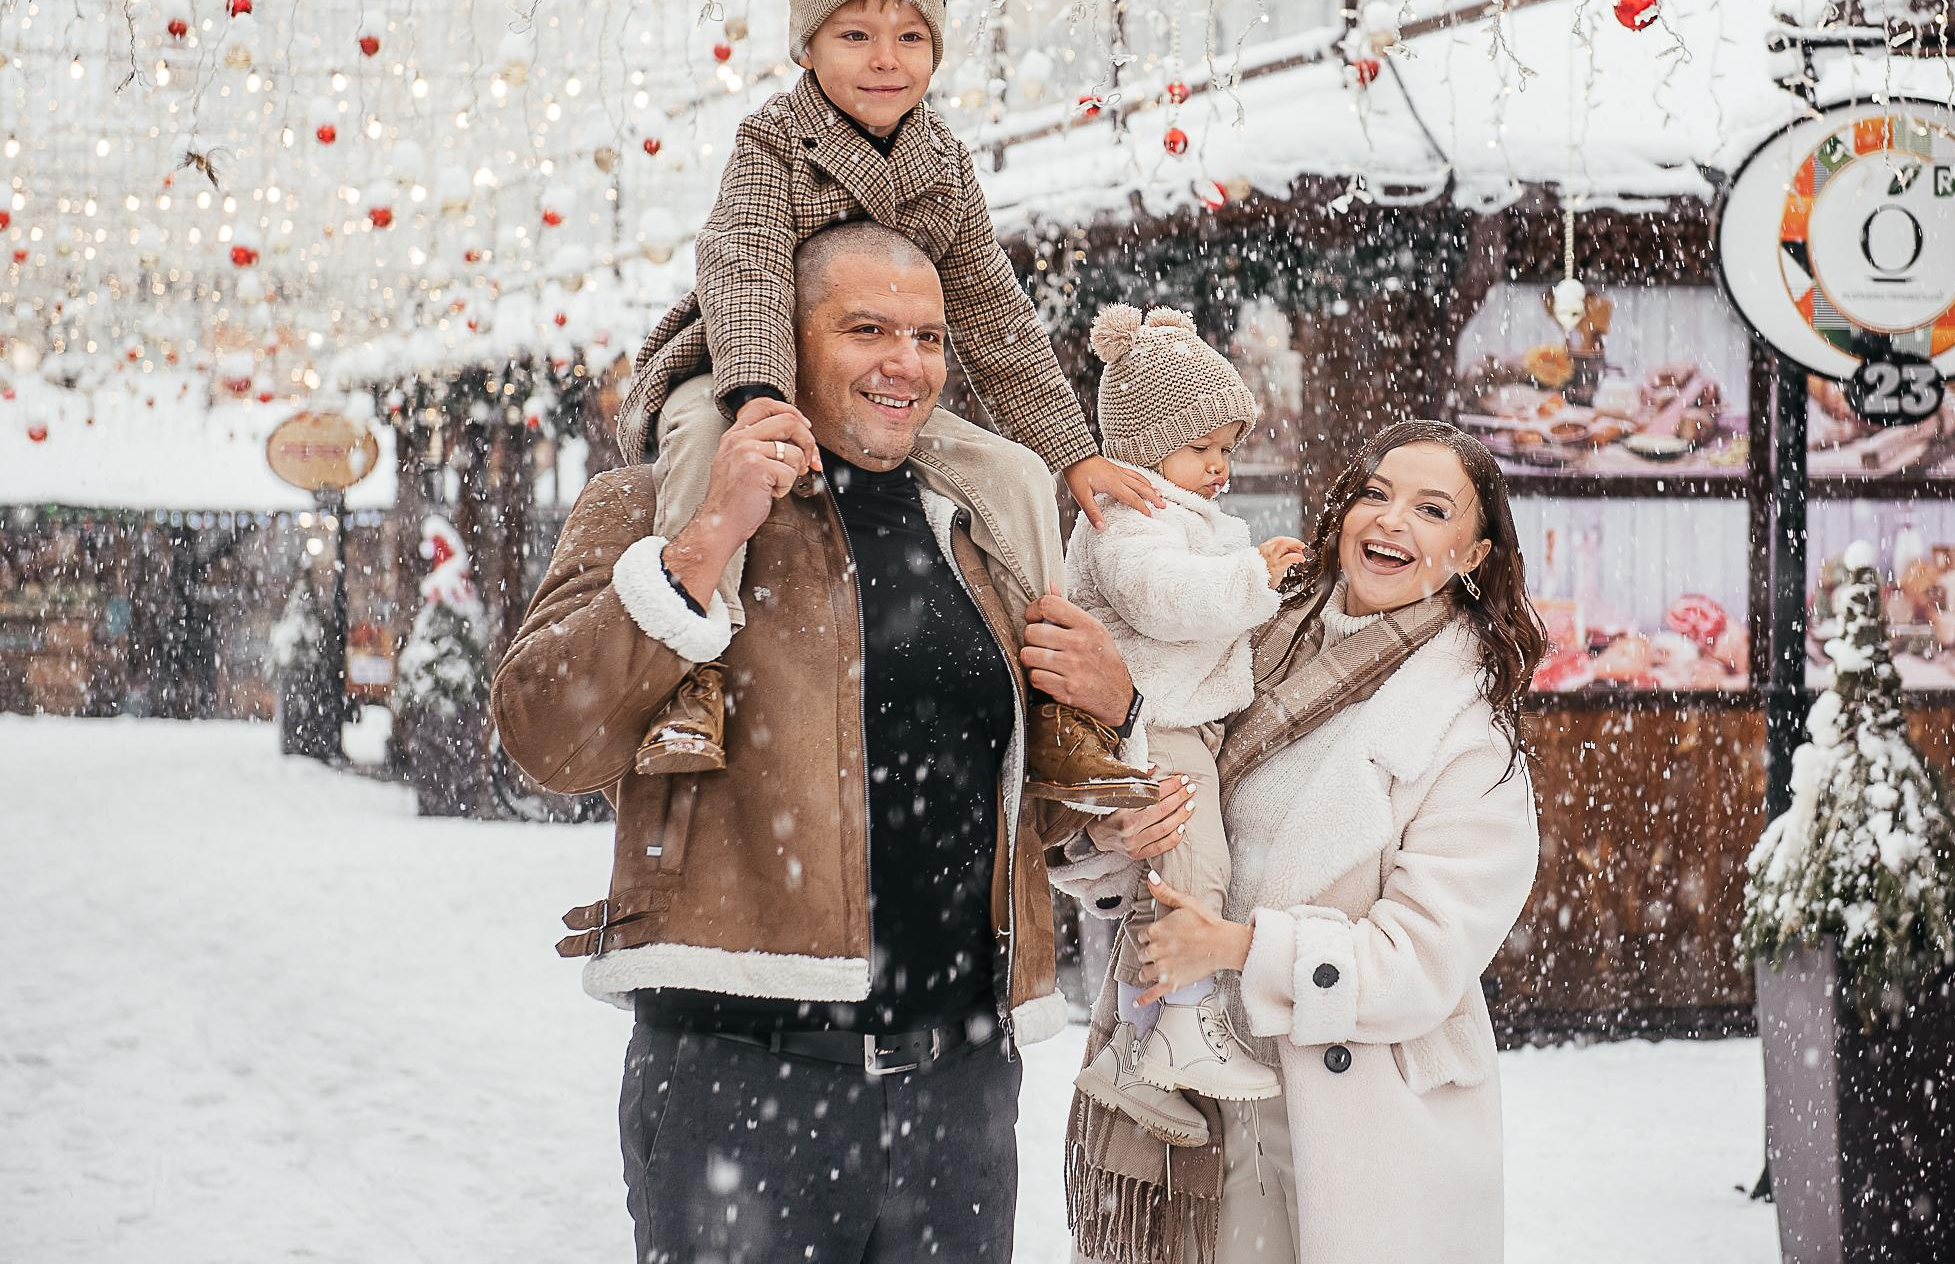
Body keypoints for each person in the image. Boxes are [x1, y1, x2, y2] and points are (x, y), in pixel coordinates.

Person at [493, 222, 1149, 1264]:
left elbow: (1032, 819)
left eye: (929, 337)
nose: (907, 364)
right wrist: (705, 542)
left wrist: (1117, 710)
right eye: (867, 330)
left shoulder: (978, 531)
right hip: (742, 1081)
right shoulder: (656, 502)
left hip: (961, 1095)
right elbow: (544, 738)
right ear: (782, 343)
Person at [616, 0, 1159, 799]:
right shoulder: (772, 143)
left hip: (881, 392)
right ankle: (693, 669)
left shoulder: (943, 163)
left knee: (1015, 475)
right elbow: (747, 266)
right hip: (742, 365)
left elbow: (992, 310)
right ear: (806, 47)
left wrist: (1073, 452)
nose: (886, 60)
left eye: (911, 37)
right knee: (707, 445)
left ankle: (1055, 704)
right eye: (855, 36)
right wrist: (758, 396)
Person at [1051, 420, 1545, 1264]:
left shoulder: (1470, 737)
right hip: (1184, 1086)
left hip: (1348, 1124)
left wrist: (1240, 948)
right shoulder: (1245, 641)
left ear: (1474, 555)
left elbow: (1421, 962)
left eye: (1432, 510)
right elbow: (1171, 831)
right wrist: (1114, 829)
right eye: (1375, 494)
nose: (1391, 520)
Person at [1060, 304, 1310, 1145]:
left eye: (1228, 449)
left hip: (1175, 718)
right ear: (1147, 444)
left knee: (1157, 891)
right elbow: (1162, 601)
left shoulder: (1173, 514)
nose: (1220, 466)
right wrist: (1250, 577)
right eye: (1202, 447)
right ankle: (1184, 1023)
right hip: (1154, 723)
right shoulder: (1128, 517)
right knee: (1196, 871)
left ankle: (1134, 1051)